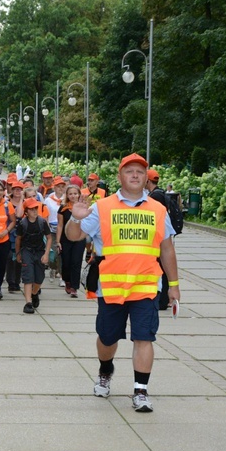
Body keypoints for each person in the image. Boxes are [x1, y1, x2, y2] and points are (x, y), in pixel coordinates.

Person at [65, 153, 179, 413]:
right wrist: (76, 218)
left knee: (144, 338)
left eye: (140, 171)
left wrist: (174, 284)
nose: (136, 175)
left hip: (147, 286)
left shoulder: (158, 209)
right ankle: (105, 370)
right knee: (107, 338)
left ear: (146, 177)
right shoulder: (103, 207)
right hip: (112, 287)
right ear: (120, 176)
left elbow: (167, 249)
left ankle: (140, 391)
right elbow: (74, 237)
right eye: (130, 171)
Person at [16, 198, 53, 314]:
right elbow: (18, 239)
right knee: (28, 277)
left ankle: (34, 293)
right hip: (27, 251)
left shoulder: (42, 222)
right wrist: (18, 253)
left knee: (39, 278)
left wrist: (46, 253)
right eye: (31, 209)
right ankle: (28, 303)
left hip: (39, 251)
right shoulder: (23, 224)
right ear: (26, 212)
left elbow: (49, 237)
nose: (35, 211)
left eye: (36, 209)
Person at [146, 169, 170, 310]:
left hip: (158, 237)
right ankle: (164, 299)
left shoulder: (154, 197)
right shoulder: (160, 193)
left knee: (161, 267)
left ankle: (163, 300)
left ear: (147, 181)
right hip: (162, 235)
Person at [56, 185, 87, 297]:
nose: (73, 196)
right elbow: (60, 225)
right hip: (66, 238)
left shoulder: (83, 207)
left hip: (79, 238)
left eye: (75, 193)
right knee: (66, 262)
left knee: (76, 262)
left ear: (79, 194)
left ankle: (75, 287)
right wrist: (58, 241)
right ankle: (67, 280)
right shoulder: (63, 208)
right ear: (67, 195)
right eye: (70, 194)